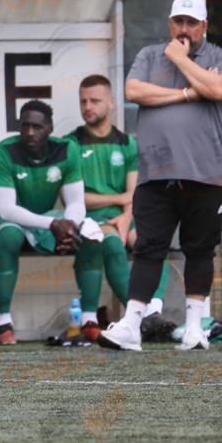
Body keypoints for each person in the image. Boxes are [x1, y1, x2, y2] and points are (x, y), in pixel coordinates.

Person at [99, 0, 222, 352]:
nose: (184, 29)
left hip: (205, 175)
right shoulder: (148, 55)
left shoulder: (220, 58)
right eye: (178, 21)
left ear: (204, 26)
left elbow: (220, 89)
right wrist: (190, 93)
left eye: (192, 23)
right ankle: (131, 325)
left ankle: (194, 328)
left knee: (200, 250)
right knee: (148, 249)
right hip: (156, 175)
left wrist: (180, 60)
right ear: (169, 23)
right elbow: (133, 91)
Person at [0, 100, 94, 345]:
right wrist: (54, 226)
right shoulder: (3, 152)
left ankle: (89, 320)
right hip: (3, 220)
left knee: (90, 235)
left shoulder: (67, 149)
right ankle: (3, 322)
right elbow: (6, 209)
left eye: (37, 126)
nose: (30, 132)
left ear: (50, 128)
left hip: (45, 217)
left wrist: (70, 226)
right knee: (11, 236)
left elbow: (76, 203)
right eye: (25, 126)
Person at [65, 75, 134, 341]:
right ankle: (93, 319)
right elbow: (75, 199)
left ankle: (153, 312)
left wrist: (127, 216)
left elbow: (134, 192)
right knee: (110, 242)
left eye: (94, 100)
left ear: (111, 102)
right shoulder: (71, 144)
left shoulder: (127, 143)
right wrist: (119, 200)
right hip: (89, 218)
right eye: (83, 101)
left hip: (124, 217)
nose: (87, 107)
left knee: (152, 241)